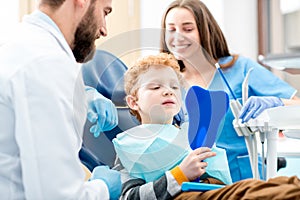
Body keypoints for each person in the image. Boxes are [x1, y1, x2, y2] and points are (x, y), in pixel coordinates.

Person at [112, 52, 300, 200]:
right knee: (280, 194)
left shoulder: (188, 138)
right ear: (133, 102)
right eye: (155, 87)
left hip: (216, 191)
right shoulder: (129, 147)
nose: (168, 91)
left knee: (290, 184)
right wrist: (179, 175)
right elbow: (129, 197)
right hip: (185, 196)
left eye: (175, 87)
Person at [159, 0, 300, 182]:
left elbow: (297, 106)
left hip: (244, 179)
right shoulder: (167, 81)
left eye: (188, 29)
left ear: (205, 31)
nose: (178, 37)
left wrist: (277, 103)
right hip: (193, 183)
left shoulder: (239, 68)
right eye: (171, 29)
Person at [0, 0, 121, 199]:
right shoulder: (47, 63)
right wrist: (104, 188)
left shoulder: (19, 43)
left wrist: (83, 95)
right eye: (104, 12)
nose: (104, 30)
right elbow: (57, 196)